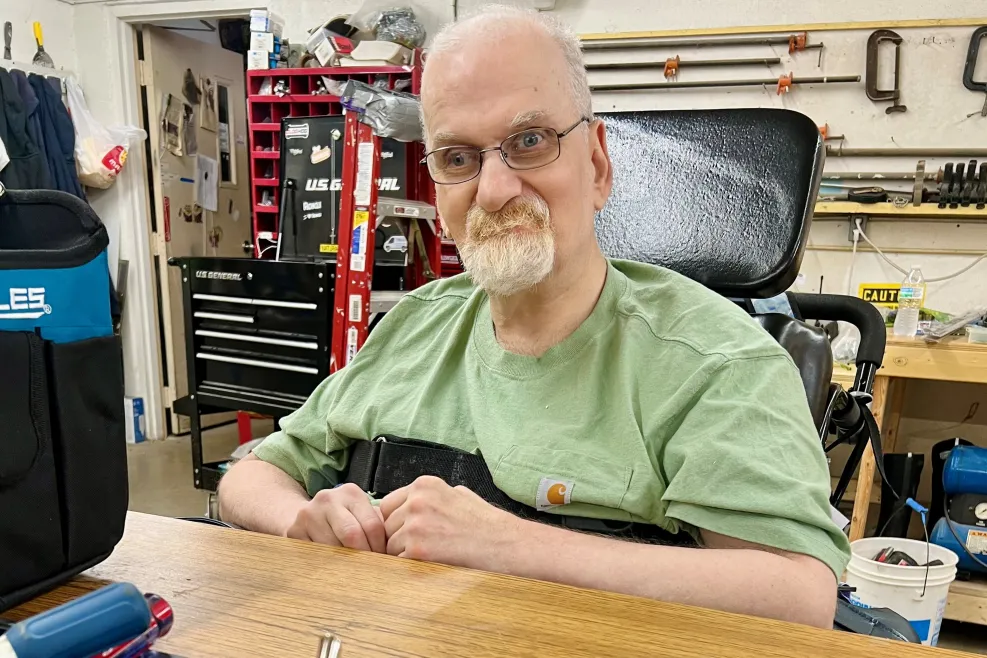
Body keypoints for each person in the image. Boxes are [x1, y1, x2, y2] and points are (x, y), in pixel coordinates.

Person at [219, 5, 849, 628]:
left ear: (597, 165)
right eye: (458, 157)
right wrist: (300, 519)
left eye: (529, 142)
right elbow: (251, 476)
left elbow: (797, 595)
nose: (493, 190)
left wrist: (511, 547)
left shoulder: (716, 364)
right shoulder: (414, 326)